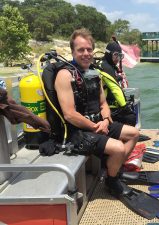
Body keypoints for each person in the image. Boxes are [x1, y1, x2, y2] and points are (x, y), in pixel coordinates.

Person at [54, 28, 139, 196]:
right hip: (77, 132)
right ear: (72, 51)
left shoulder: (94, 74)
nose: (86, 53)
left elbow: (103, 103)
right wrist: (95, 126)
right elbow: (69, 114)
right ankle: (111, 181)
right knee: (118, 149)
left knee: (134, 133)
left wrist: (106, 120)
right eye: (81, 50)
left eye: (89, 49)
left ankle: (112, 170)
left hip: (99, 124)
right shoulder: (64, 75)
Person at [99, 42, 136, 127]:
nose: (118, 58)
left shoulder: (107, 65)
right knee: (131, 117)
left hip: (108, 104)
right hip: (107, 107)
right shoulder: (106, 67)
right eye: (116, 55)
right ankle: (127, 135)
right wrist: (125, 106)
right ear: (108, 53)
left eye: (120, 56)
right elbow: (115, 89)